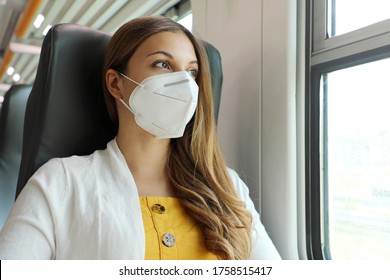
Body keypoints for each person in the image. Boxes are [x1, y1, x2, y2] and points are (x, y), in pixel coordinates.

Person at [0, 16, 281, 260]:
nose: (183, 83)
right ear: (116, 83)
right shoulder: (59, 183)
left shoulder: (226, 187)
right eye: (162, 64)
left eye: (192, 71)